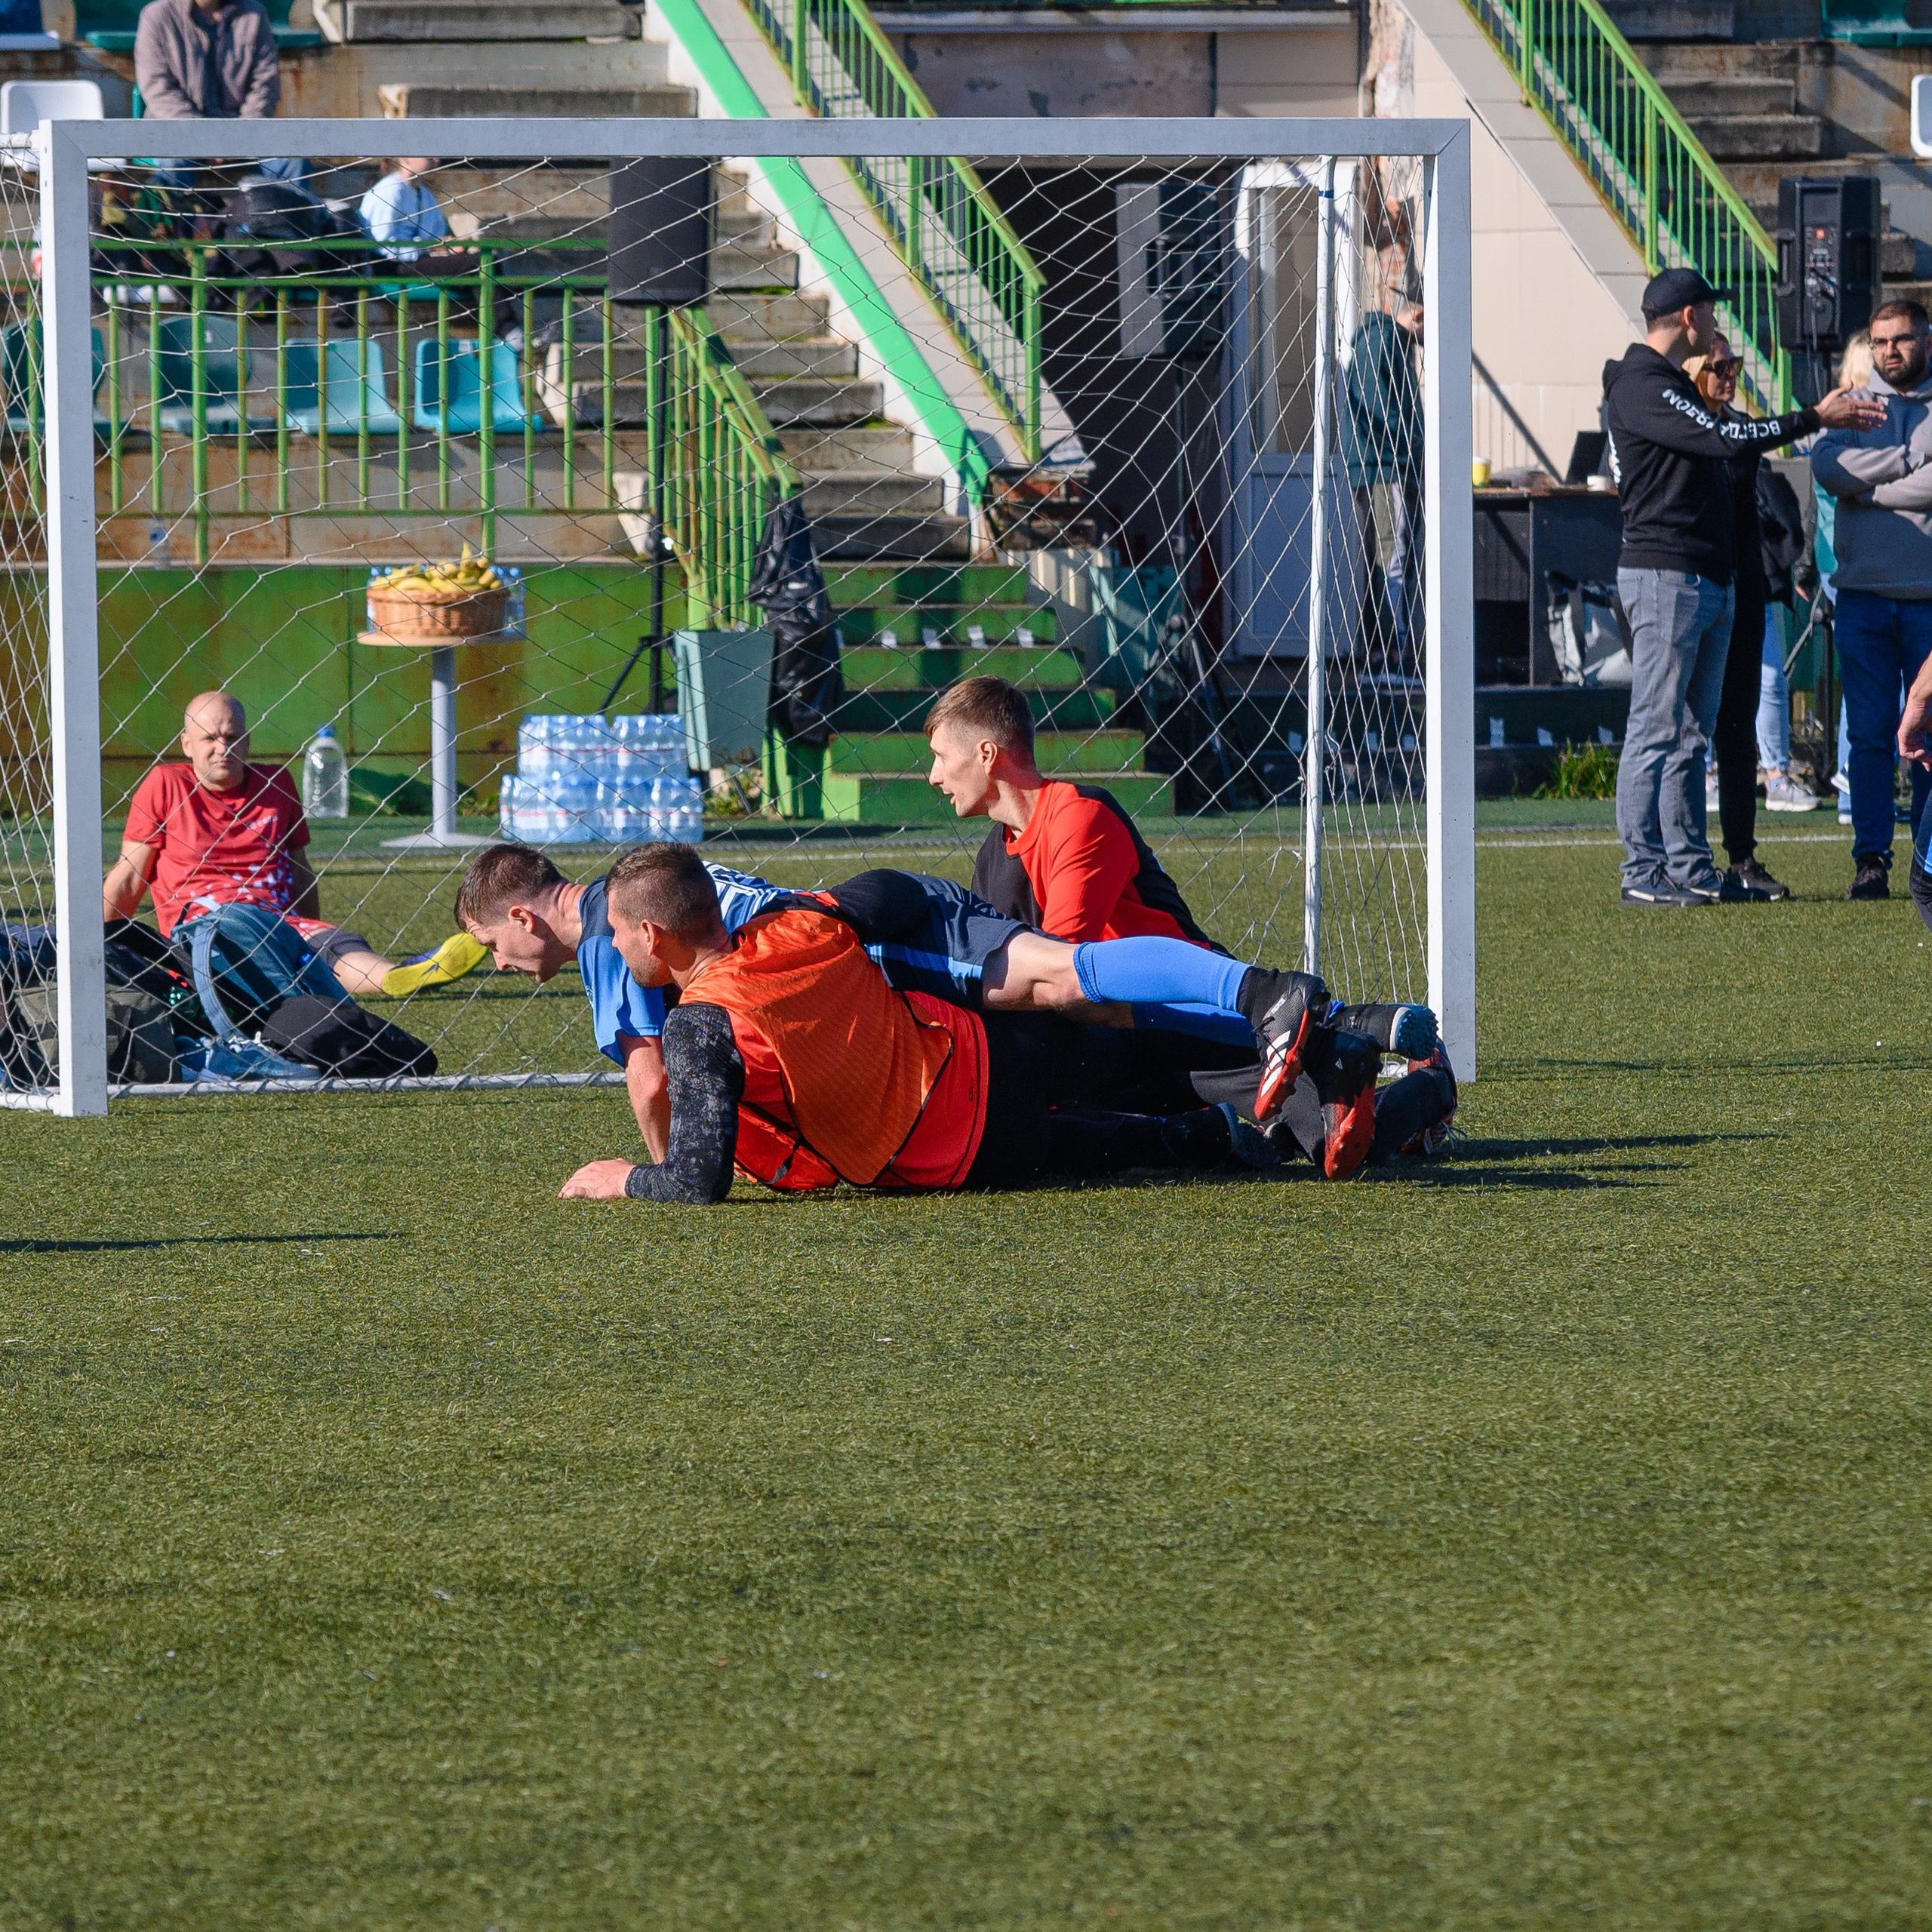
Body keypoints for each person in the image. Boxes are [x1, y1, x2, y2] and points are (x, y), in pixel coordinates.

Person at [453, 843, 1429, 1183]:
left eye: (497, 945)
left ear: (531, 913)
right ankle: (1343, 1043)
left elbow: (654, 1078)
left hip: (882, 942)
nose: (505, 964)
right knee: (1094, 1023)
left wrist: (660, 1172)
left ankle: (1279, 1003)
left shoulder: (608, 942)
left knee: (1071, 983)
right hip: (872, 961)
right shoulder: (632, 897)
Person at [1601, 267, 1879, 907]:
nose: (1719, 332)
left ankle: (1690, 868)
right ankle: (1642, 872)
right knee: (1656, 726)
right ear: (1689, 317)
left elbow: (1726, 436)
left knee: (1691, 732)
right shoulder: (1642, 380)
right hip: (1664, 573)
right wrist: (1813, 415)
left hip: (1703, 576)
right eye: (1711, 312)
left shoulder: (1665, 381)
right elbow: (1725, 438)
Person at [103, 691, 485, 1005]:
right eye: (210, 739)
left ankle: (398, 976)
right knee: (279, 960)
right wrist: (96, 947)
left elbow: (299, 871)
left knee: (328, 944)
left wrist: (313, 925)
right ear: (187, 745)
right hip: (205, 932)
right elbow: (130, 875)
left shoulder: (277, 783)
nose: (223, 748)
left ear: (248, 741)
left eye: (233, 737)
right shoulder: (166, 784)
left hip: (280, 924)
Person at [1810, 298, 1932, 900]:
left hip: (1927, 601)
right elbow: (1829, 471)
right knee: (1870, 736)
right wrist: (1909, 460)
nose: (1890, 351)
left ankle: (1930, 858)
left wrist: (1869, 489)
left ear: (1926, 341)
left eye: (1902, 339)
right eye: (1881, 341)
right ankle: (1872, 859)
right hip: (1861, 598)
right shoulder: (1853, 407)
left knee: (1929, 737)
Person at [1686, 335, 1794, 900]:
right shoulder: (1681, 428)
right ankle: (1678, 858)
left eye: (1735, 365)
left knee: (1738, 727)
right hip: (1695, 588)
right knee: (1685, 729)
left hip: (1743, 589)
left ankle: (1742, 856)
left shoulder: (1741, 429)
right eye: (1719, 365)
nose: (1730, 374)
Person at [1341, 259, 1423, 676]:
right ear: (1421, 315)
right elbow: (1380, 405)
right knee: (1393, 555)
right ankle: (1392, 653)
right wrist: (1417, 441)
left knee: (1382, 557)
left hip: (1377, 466)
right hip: (1385, 466)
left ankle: (1382, 651)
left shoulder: (1382, 339)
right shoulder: (1385, 341)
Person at [358, 157, 451, 263]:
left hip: (421, 258)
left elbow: (437, 234)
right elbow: (382, 245)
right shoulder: (390, 191)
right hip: (392, 264)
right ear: (405, 158)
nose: (437, 160)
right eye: (429, 155)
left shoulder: (426, 195)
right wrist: (428, 248)